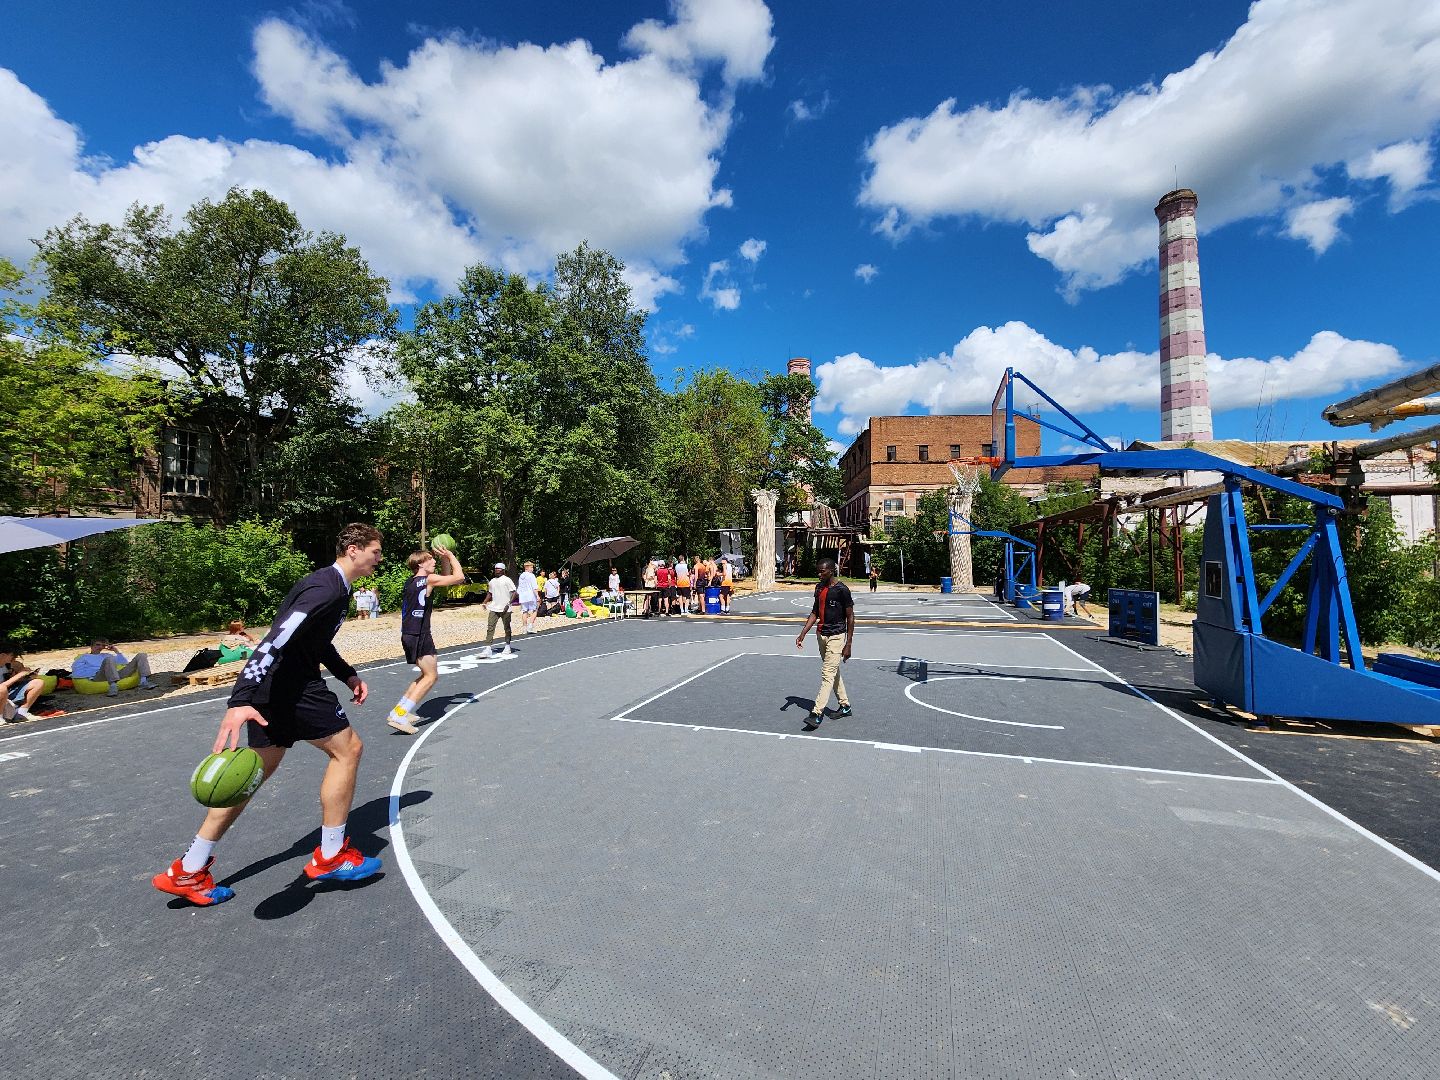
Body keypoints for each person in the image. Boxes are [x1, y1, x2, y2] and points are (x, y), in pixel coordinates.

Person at [151, 523, 386, 907]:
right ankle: (330, 855)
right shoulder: (326, 587)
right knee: (348, 750)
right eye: (375, 552)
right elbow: (275, 639)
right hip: (293, 689)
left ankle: (189, 869)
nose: (379, 560)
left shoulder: (335, 588)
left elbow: (314, 642)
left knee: (247, 777)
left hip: (278, 691)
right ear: (355, 549)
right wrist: (239, 699)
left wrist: (346, 673)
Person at [383, 542, 465, 735]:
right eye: (430, 559)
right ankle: (399, 715)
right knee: (431, 676)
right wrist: (451, 556)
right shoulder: (429, 580)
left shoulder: (411, 582)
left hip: (410, 632)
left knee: (424, 674)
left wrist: (444, 559)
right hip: (419, 634)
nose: (433, 561)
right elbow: (458, 577)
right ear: (420, 564)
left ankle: (400, 710)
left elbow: (446, 577)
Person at [794, 558, 855, 731]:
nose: (819, 574)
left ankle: (817, 713)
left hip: (837, 636)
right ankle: (845, 706)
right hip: (821, 635)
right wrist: (803, 633)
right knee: (833, 672)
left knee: (827, 673)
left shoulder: (842, 590)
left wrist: (848, 643)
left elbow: (850, 617)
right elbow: (815, 611)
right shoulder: (819, 587)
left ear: (831, 571)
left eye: (822, 571)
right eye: (818, 571)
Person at [72, 638, 156, 696]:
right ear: (91, 646)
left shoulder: (106, 654)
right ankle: (113, 686)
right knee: (109, 659)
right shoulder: (83, 657)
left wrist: (116, 651)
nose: (100, 647)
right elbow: (76, 673)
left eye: (102, 645)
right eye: (97, 645)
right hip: (99, 676)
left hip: (115, 674)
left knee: (141, 655)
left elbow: (124, 663)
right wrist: (95, 672)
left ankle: (144, 681)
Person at [1, 643, 48, 724]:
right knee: (2, 689)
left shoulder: (8, 665)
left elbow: (9, 683)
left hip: (7, 693)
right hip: (2, 691)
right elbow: (3, 686)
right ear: (2, 655)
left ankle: (21, 713)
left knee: (38, 683)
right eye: (12, 655)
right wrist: (20, 674)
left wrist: (27, 677)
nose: (14, 658)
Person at [480, 562, 517, 657]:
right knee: (490, 627)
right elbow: (490, 593)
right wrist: (484, 602)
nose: (497, 570)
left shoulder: (507, 580)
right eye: (496, 568)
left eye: (499, 569)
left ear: (503, 570)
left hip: (505, 608)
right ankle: (488, 648)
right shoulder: (492, 581)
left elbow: (514, 593)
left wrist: (509, 603)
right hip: (494, 607)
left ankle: (507, 645)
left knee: (507, 628)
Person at [517, 561, 541, 635]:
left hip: (523, 596)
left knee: (524, 611)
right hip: (531, 595)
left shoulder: (521, 576)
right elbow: (534, 587)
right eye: (531, 567)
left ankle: (524, 628)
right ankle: (530, 626)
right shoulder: (531, 575)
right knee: (535, 610)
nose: (532, 569)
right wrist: (537, 596)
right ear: (527, 567)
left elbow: (519, 587)